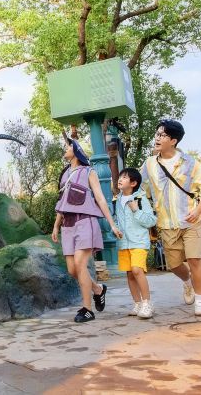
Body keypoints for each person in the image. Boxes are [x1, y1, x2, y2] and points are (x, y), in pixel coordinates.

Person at [140, 120, 201, 316]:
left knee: (195, 260)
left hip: (191, 221)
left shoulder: (190, 163)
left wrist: (198, 210)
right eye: (157, 134)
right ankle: (188, 282)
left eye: (162, 135)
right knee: (173, 265)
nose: (157, 138)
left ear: (173, 140)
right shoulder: (149, 164)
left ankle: (200, 300)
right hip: (166, 223)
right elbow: (141, 189)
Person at [52, 137, 123, 323]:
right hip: (67, 225)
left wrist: (112, 224)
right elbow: (62, 202)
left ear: (76, 150)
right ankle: (98, 290)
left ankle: (87, 309)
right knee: (72, 270)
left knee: (80, 264)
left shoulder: (88, 171)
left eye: (68, 147)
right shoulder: (65, 174)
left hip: (85, 221)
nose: (65, 149)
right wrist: (56, 225)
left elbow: (100, 198)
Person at [114, 168, 157, 318]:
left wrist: (136, 211)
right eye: (120, 177)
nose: (120, 179)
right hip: (124, 243)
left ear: (133, 183)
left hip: (139, 241)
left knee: (137, 270)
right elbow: (116, 219)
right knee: (130, 274)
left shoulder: (140, 199)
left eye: (124, 177)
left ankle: (147, 303)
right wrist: (115, 229)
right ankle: (137, 304)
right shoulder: (116, 200)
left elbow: (151, 221)